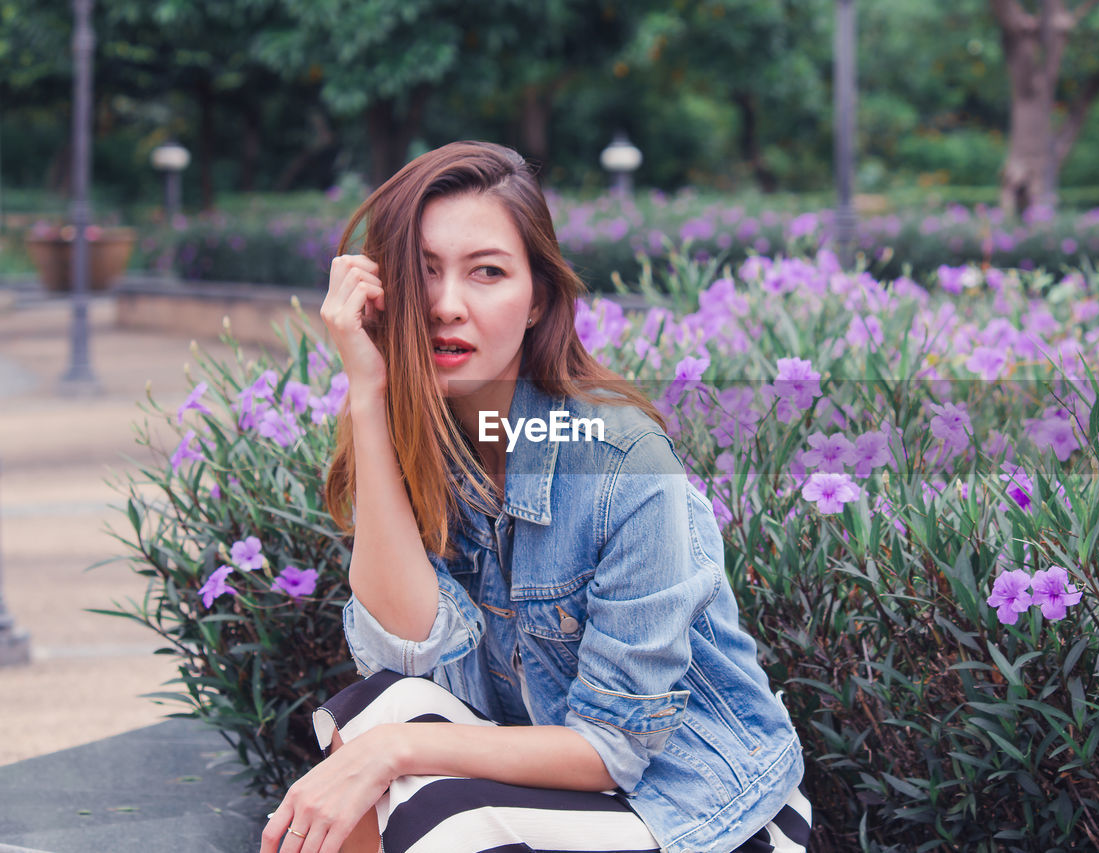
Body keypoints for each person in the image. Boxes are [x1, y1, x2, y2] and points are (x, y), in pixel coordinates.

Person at [259, 140, 810, 853]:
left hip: (705, 812)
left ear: (536, 300)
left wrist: (394, 751)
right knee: (381, 710)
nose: (446, 305)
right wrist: (367, 390)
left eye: (486, 272)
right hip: (552, 794)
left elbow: (614, 746)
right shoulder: (425, 439)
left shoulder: (621, 463)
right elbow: (405, 652)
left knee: (419, 789)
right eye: (421, 273)